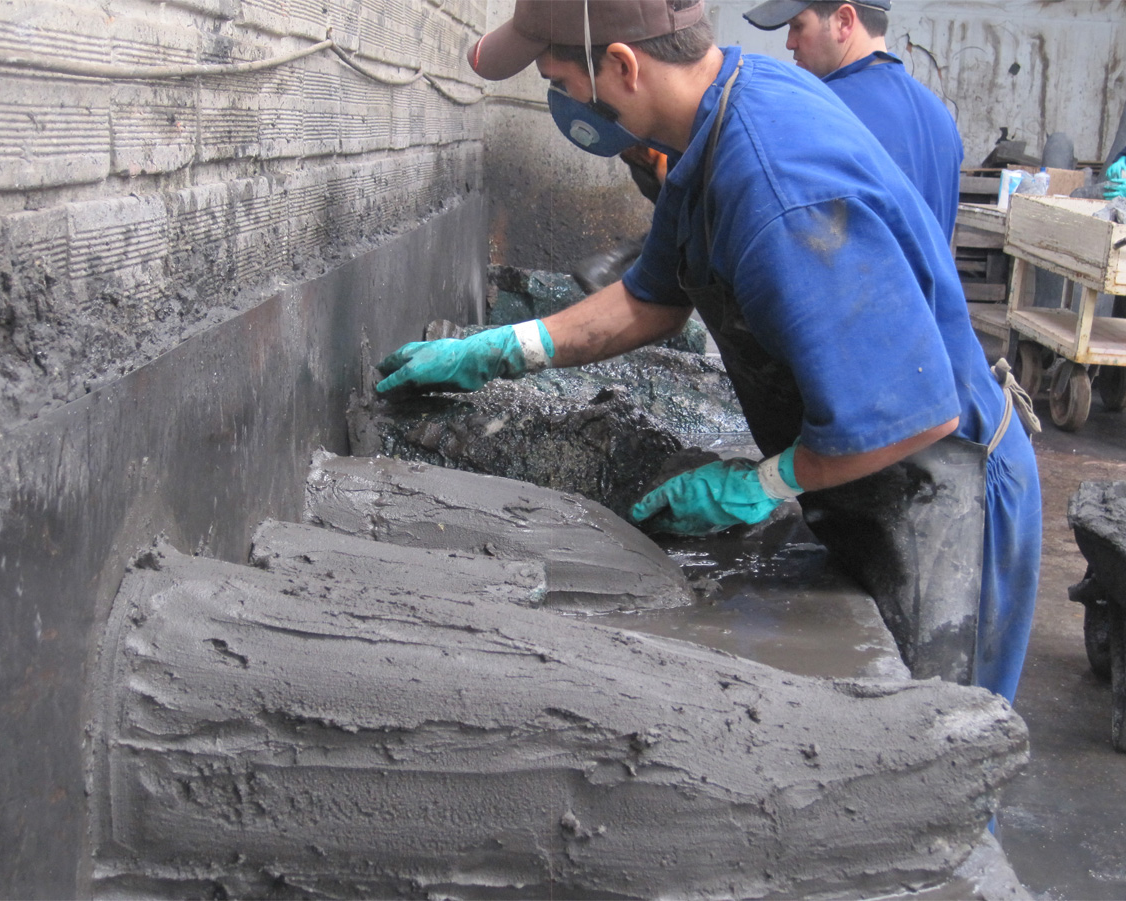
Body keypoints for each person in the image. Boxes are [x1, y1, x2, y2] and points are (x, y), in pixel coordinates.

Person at [376, 0, 1041, 702]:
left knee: (930, 751)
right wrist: (503, 349)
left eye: (561, 83)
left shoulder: (777, 185)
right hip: (866, 473)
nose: (562, 104)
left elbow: (908, 414)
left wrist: (761, 485)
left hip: (945, 494)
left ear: (623, 67)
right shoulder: (716, 125)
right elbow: (649, 298)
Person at [744, 0, 964, 240]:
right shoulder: (938, 113)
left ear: (844, 22)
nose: (790, 43)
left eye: (798, 26)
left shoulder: (821, 110)